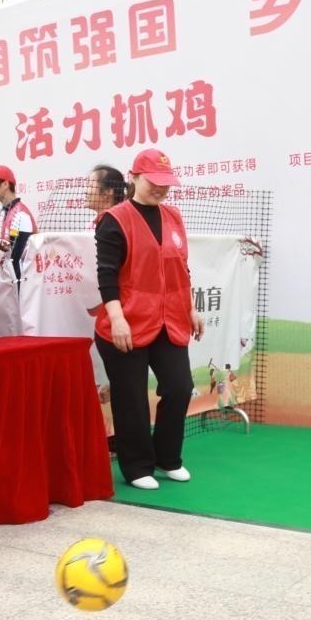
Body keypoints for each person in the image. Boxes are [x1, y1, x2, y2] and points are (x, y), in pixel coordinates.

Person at [94, 148, 205, 491]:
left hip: (169, 319)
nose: (160, 188)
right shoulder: (114, 219)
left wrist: (190, 309)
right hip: (126, 322)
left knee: (180, 387)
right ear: (134, 178)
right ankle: (137, 466)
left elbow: (180, 269)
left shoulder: (173, 217)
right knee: (131, 397)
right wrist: (117, 318)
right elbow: (107, 274)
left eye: (165, 183)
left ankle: (167, 458)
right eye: (153, 181)